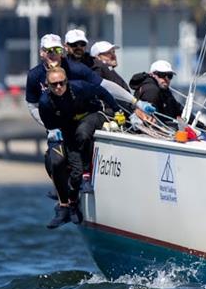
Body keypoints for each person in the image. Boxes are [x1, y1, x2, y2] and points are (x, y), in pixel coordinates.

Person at [38, 67, 123, 228]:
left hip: (87, 118)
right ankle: (65, 206)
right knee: (60, 163)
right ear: (47, 85)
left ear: (66, 82)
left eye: (61, 83)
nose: (58, 87)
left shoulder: (79, 87)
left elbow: (103, 92)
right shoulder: (44, 103)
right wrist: (53, 131)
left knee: (81, 145)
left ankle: (77, 194)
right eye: (54, 84)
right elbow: (49, 124)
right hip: (64, 128)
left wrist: (118, 111)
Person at [26, 34, 154, 129]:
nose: (53, 54)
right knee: (56, 162)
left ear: (62, 52)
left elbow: (106, 86)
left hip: (81, 118)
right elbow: (33, 106)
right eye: (49, 51)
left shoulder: (77, 68)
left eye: (57, 50)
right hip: (56, 124)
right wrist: (50, 127)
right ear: (42, 53)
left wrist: (135, 102)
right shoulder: (34, 75)